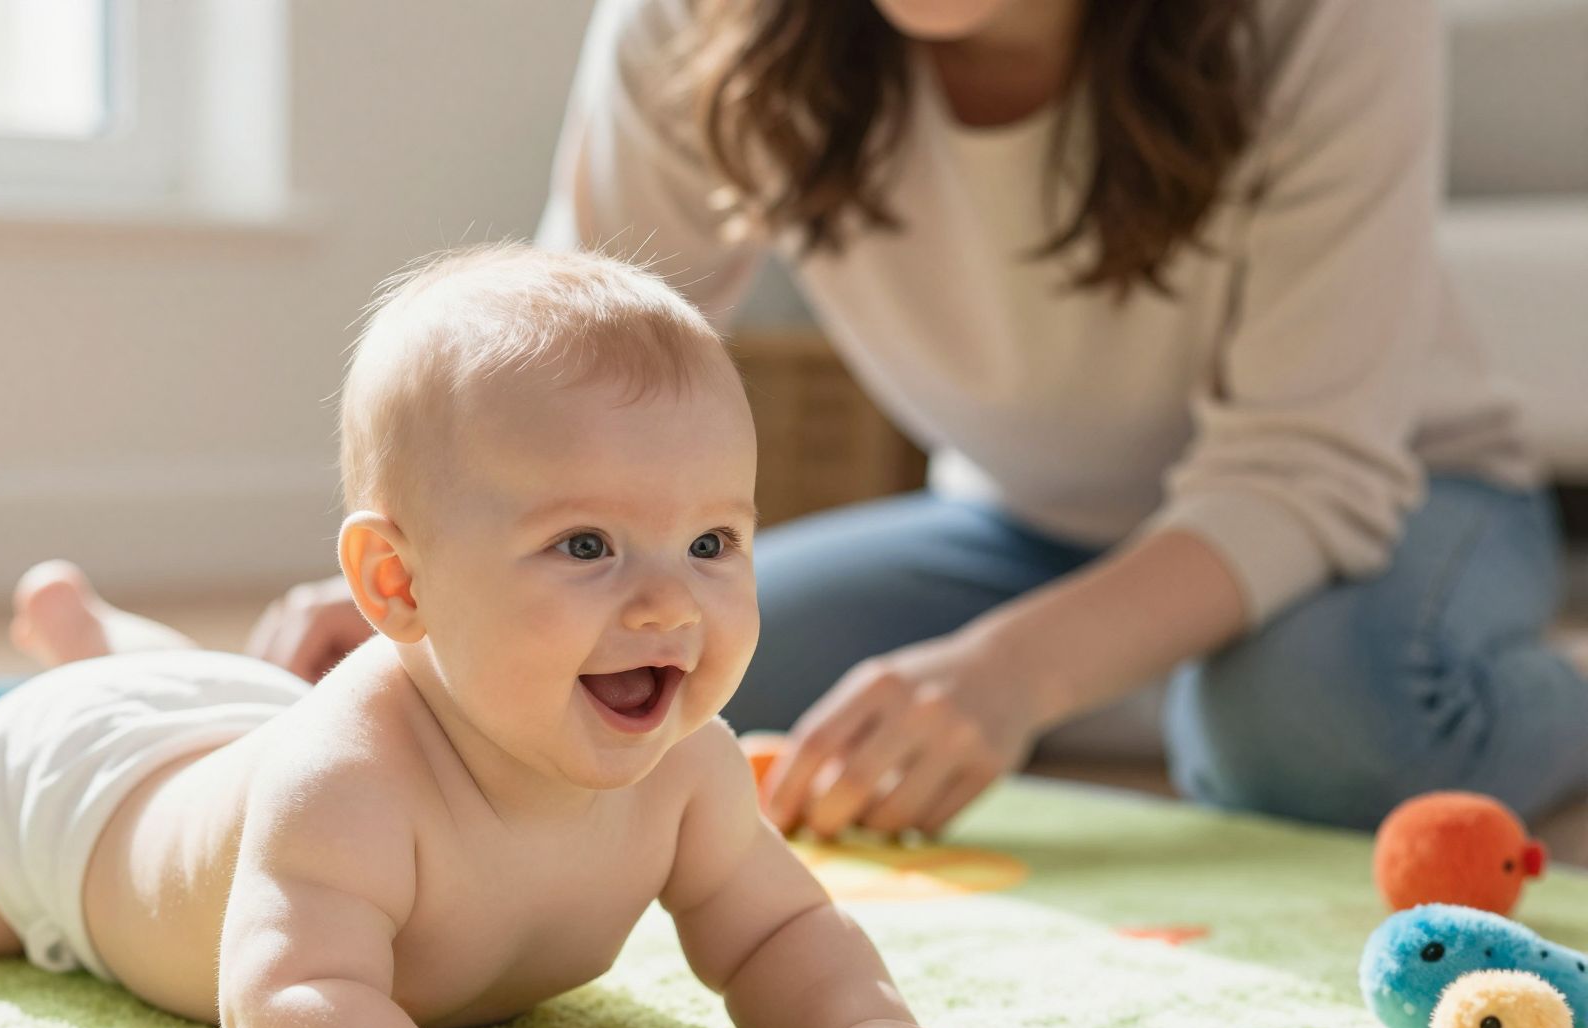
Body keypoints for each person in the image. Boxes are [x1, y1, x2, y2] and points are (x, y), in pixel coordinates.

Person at [0, 244, 1022, 1028]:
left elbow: (779, 929)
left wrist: (864, 1026)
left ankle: (104, 636)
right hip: (78, 805)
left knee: (213, 702)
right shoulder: (350, 778)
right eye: (585, 545)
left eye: (711, 544)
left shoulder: (685, 763)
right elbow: (287, 1018)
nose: (666, 605)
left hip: (232, 721)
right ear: (397, 586)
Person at [251, 0, 1577, 846]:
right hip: (1011, 522)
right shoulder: (696, 23)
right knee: (645, 677)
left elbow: (1305, 467)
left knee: (1308, 737)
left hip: (1397, 502)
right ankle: (1144, 683)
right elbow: (555, 364)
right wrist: (450, 587)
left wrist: (1012, 676)